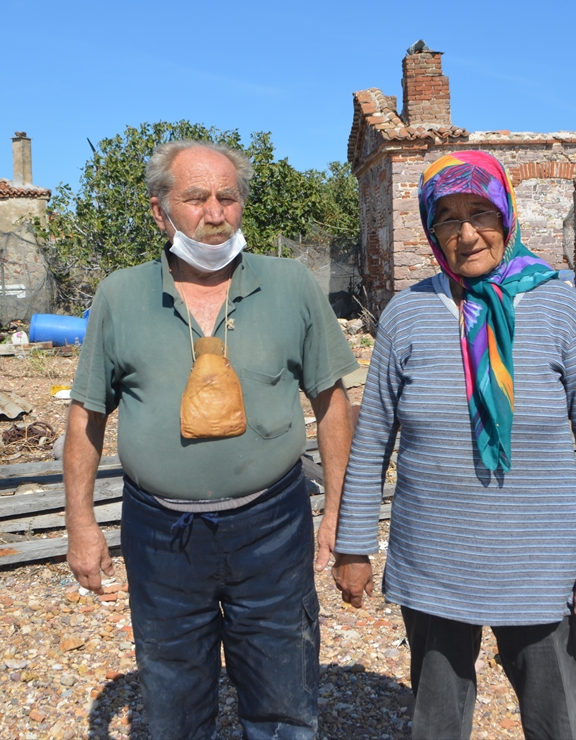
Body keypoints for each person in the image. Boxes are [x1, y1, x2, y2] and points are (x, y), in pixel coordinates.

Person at [64, 140, 360, 740]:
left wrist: (339, 512)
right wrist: (81, 523)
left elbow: (331, 402)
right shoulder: (120, 295)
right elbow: (85, 417)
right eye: (195, 197)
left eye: (228, 197)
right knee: (173, 691)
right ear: (160, 211)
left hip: (272, 525)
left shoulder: (291, 284)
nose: (215, 212)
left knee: (282, 684)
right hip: (159, 532)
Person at [332, 150, 576, 740]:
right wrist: (353, 546)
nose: (466, 234)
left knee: (555, 723)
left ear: (506, 215)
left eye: (480, 213)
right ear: (430, 229)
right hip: (435, 562)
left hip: (542, 567)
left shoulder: (559, 307)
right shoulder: (407, 314)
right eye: (447, 218)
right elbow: (372, 442)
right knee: (437, 724)